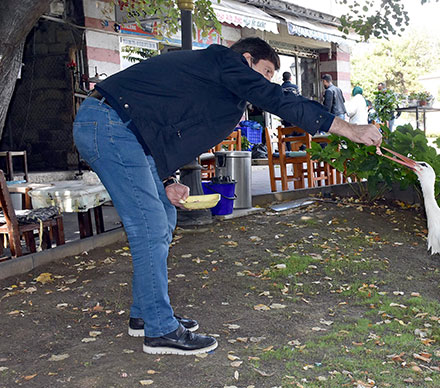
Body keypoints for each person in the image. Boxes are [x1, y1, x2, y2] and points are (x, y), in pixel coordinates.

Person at [72, 37, 382, 356]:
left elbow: (167, 126)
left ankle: (144, 314)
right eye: (263, 72)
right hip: (110, 125)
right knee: (149, 226)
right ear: (246, 60)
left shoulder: (217, 86)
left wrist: (167, 180)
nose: (264, 82)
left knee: (163, 218)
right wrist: (348, 129)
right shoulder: (224, 62)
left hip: (127, 131)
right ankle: (160, 329)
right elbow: (275, 98)